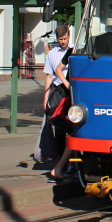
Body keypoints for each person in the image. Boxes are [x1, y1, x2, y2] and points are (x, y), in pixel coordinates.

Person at [39, 25, 72, 164]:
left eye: (65, 39)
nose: (63, 42)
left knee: (72, 125)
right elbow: (49, 76)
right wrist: (46, 97)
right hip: (58, 90)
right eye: (60, 39)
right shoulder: (53, 53)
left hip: (70, 90)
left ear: (69, 36)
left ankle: (71, 161)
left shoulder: (75, 50)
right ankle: (60, 159)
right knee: (59, 126)